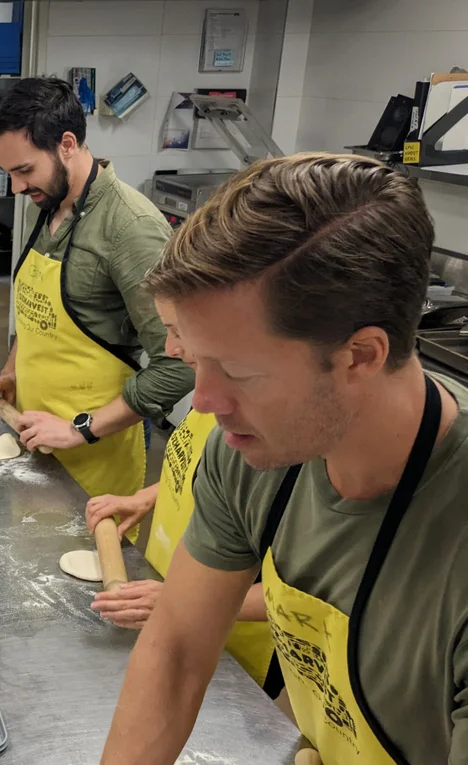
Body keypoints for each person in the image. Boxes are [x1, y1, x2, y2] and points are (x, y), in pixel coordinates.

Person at [101, 153, 467, 764]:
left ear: (361, 356)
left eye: (240, 372)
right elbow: (178, 653)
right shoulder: (248, 454)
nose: (207, 403)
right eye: (194, 361)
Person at [0, 76, 193, 502]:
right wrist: (11, 373)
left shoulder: (130, 230)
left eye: (24, 170)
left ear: (68, 144)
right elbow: (44, 315)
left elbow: (182, 365)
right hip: (35, 438)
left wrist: (81, 429)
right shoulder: (52, 203)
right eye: (10, 174)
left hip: (95, 462)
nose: (17, 188)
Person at [85, 298, 277, 693]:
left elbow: (301, 600)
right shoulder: (214, 387)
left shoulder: (276, 429)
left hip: (228, 639)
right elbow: (209, 472)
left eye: (178, 330)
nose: (169, 349)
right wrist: (150, 495)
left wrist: (187, 600)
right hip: (167, 587)